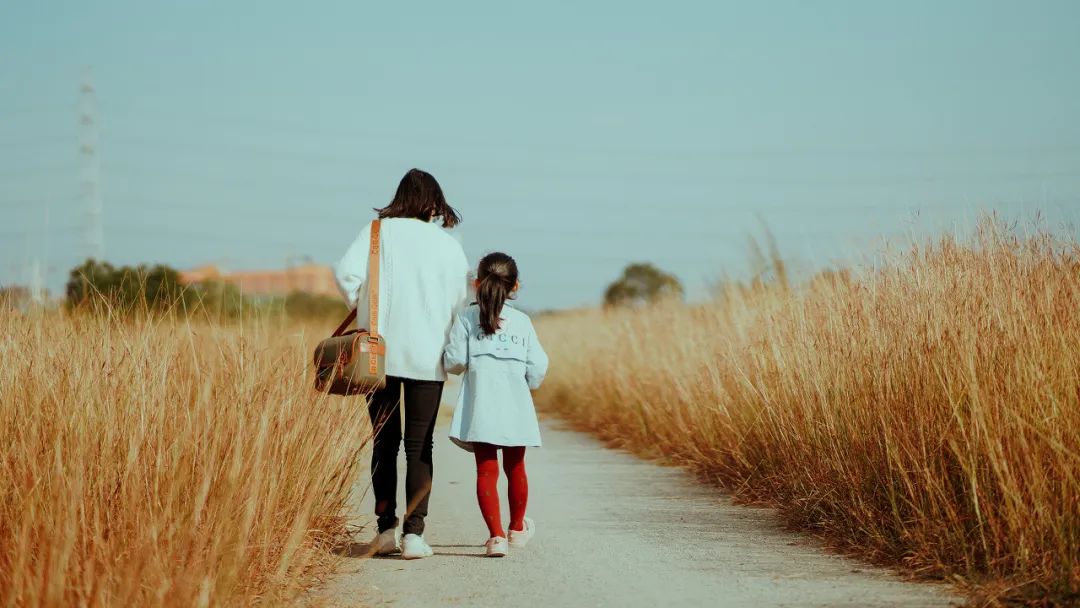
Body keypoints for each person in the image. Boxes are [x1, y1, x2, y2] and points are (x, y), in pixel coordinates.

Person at [335, 169, 469, 559]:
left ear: (400, 197)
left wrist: (364, 311)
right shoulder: (449, 246)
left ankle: (385, 531)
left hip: (380, 352)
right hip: (429, 356)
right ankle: (415, 535)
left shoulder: (377, 232)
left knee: (384, 443)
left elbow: (345, 273)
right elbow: (460, 300)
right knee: (420, 444)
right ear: (433, 203)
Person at [443, 252, 549, 557]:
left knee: (485, 470)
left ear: (477, 283)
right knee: (516, 467)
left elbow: (454, 361)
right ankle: (517, 528)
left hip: (481, 404)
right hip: (515, 403)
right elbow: (538, 366)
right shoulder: (523, 321)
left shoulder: (466, 317)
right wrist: (524, 383)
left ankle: (496, 537)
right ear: (515, 286)